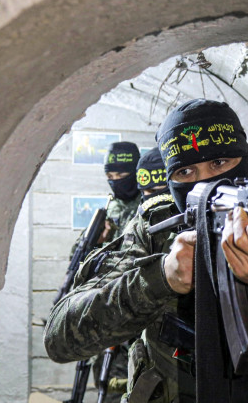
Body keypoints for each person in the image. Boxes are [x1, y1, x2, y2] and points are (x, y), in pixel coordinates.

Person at [45, 99, 248, 403]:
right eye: (185, 171)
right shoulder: (155, 228)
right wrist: (160, 279)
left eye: (220, 163)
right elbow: (60, 339)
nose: (205, 182)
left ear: (246, 161)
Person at [65, 141, 143, 402]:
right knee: (106, 380)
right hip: (107, 310)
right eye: (110, 175)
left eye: (121, 174)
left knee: (140, 381)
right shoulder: (110, 208)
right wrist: (96, 241)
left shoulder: (148, 205)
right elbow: (79, 255)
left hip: (139, 312)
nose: (115, 181)